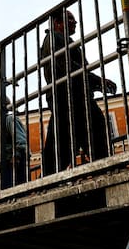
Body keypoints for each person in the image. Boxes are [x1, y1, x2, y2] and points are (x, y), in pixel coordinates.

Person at [40, 10, 117, 174]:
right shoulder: (54, 38)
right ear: (56, 22)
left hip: (69, 95)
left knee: (64, 140)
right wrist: (97, 81)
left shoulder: (62, 40)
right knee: (92, 129)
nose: (75, 23)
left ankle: (47, 178)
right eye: (69, 19)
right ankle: (106, 167)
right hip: (70, 95)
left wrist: (95, 82)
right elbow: (66, 65)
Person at [0, 94, 29, 188]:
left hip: (10, 164)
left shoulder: (10, 119)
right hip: (2, 166)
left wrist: (16, 157)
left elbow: (21, 141)